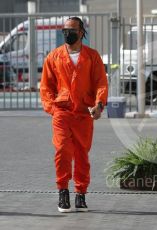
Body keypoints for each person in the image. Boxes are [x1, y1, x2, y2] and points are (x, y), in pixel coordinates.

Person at [40, 17, 108, 213]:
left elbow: (101, 83)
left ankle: (80, 193)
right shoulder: (53, 57)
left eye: (71, 30)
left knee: (81, 154)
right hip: (62, 112)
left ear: (81, 32)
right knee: (62, 150)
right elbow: (46, 87)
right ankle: (63, 191)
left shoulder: (92, 57)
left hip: (84, 113)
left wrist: (99, 105)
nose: (67, 33)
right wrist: (52, 108)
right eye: (64, 30)